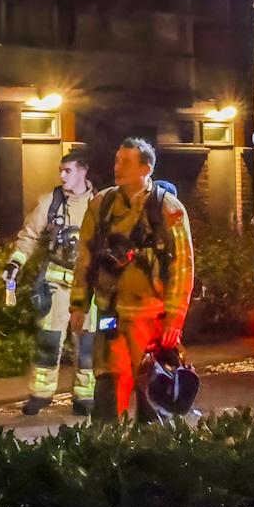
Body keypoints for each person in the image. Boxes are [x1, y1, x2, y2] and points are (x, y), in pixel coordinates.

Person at [71, 138, 194, 421]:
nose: (117, 168)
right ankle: (107, 451)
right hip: (110, 314)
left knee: (153, 390)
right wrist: (79, 304)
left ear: (146, 169)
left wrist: (174, 319)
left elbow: (182, 267)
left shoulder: (167, 209)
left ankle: (149, 453)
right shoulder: (101, 205)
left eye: (126, 163)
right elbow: (85, 258)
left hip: (151, 319)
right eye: (116, 161)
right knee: (107, 385)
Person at [6, 147, 96, 416]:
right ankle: (41, 394)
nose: (62, 176)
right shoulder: (51, 202)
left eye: (68, 170)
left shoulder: (99, 202)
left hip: (88, 286)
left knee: (87, 344)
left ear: (83, 171)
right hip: (55, 283)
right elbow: (29, 235)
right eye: (61, 170)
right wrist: (15, 263)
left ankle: (84, 397)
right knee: (49, 339)